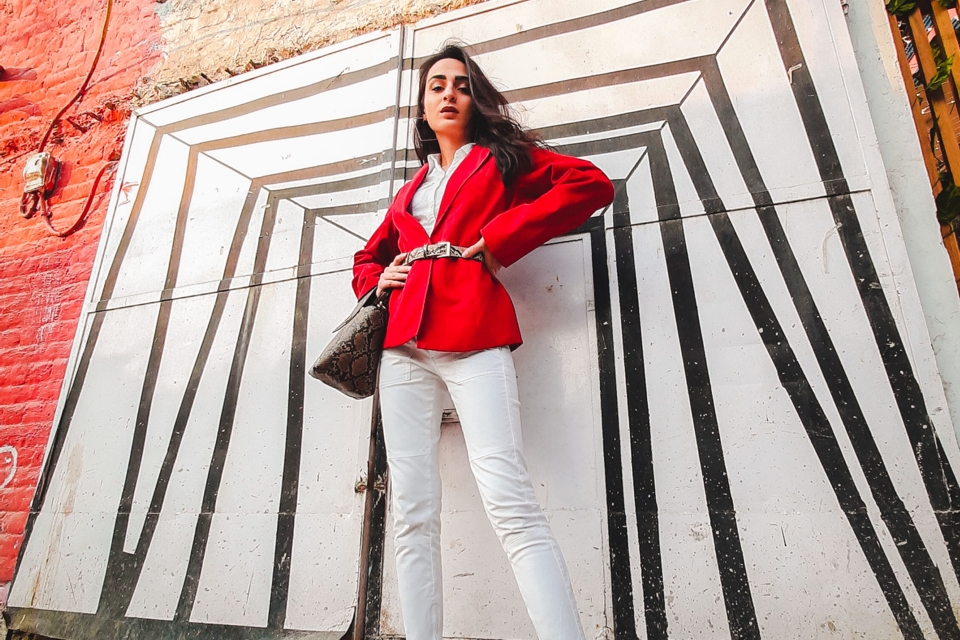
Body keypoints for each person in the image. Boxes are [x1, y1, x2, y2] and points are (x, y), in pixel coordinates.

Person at [352, 43, 614, 640]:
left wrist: (500, 239)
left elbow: (591, 184)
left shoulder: (501, 160)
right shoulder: (411, 188)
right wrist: (379, 277)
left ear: (476, 100)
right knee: (413, 515)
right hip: (403, 350)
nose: (448, 92)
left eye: (462, 85)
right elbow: (368, 257)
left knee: (510, 503)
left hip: (475, 336)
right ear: (422, 106)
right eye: (437, 84)